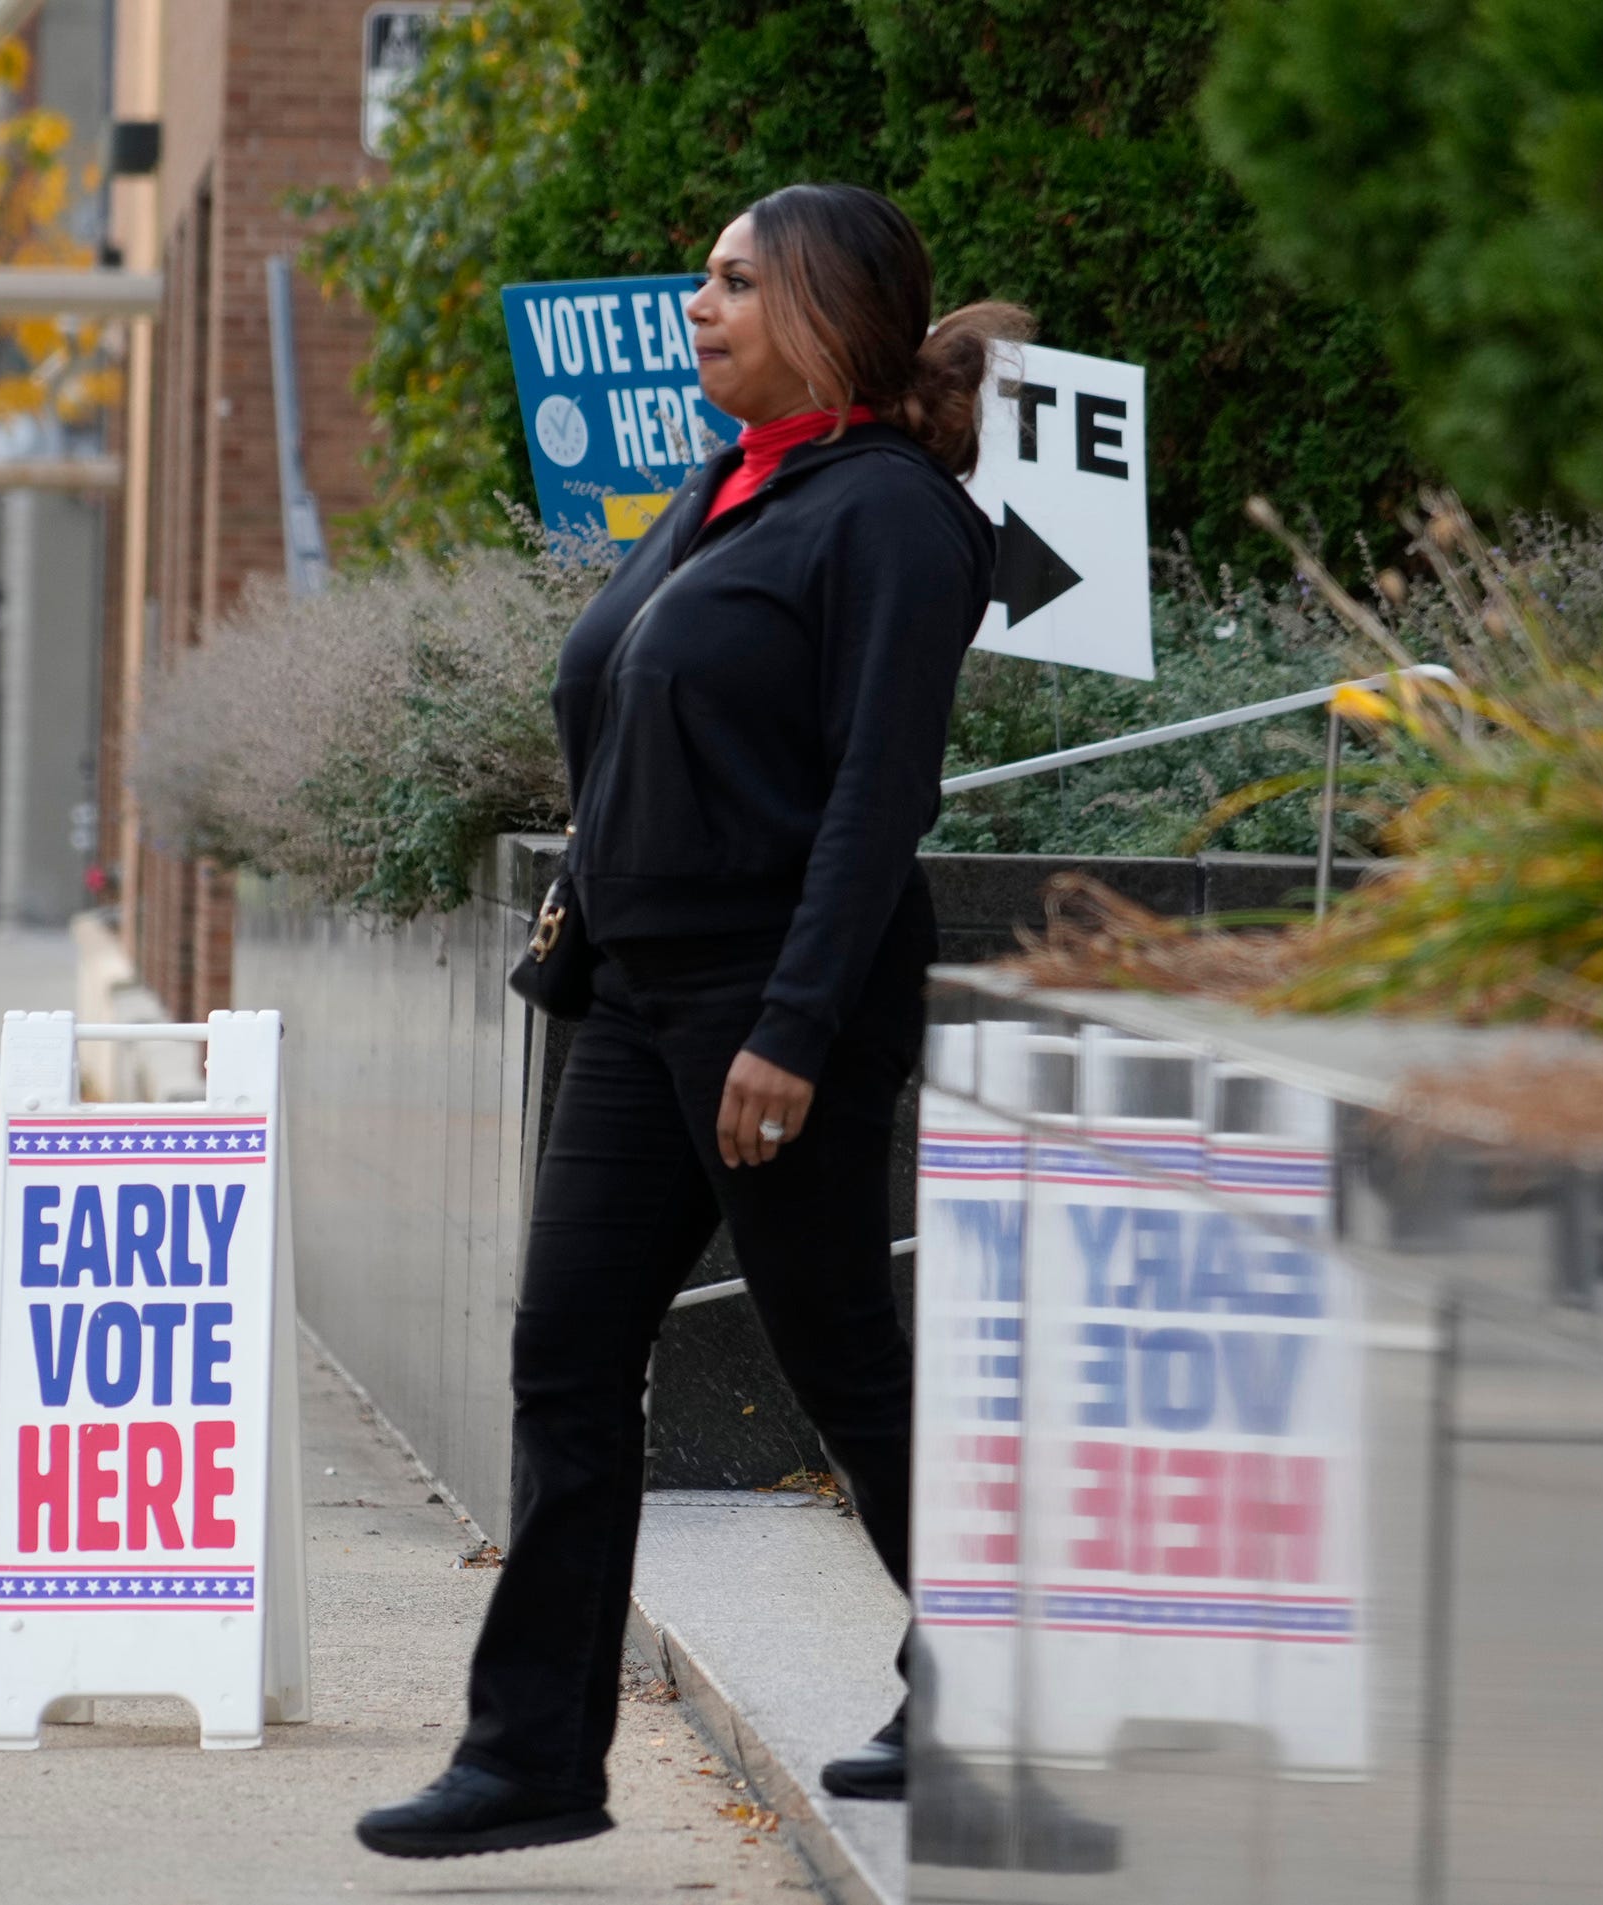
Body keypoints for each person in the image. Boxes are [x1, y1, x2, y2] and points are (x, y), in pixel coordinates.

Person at [356, 184, 1029, 1861]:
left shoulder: (889, 516)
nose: (697, 305)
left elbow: (882, 799)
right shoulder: (728, 490)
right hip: (644, 996)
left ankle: (1005, 1691)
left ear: (822, 311)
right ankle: (527, 1757)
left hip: (777, 1002)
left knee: (838, 1365)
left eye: (735, 282)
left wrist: (791, 1032)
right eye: (705, 279)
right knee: (565, 1355)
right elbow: (611, 701)